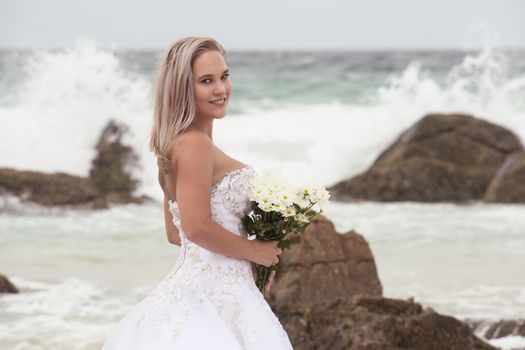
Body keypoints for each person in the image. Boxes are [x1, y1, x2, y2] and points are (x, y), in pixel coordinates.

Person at [102, 37, 294, 349]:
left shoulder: (173, 144)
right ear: (181, 88)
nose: (221, 89)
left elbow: (174, 233)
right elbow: (195, 227)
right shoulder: (194, 145)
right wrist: (256, 252)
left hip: (208, 291)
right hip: (211, 298)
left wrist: (248, 261)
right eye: (207, 81)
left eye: (224, 76)